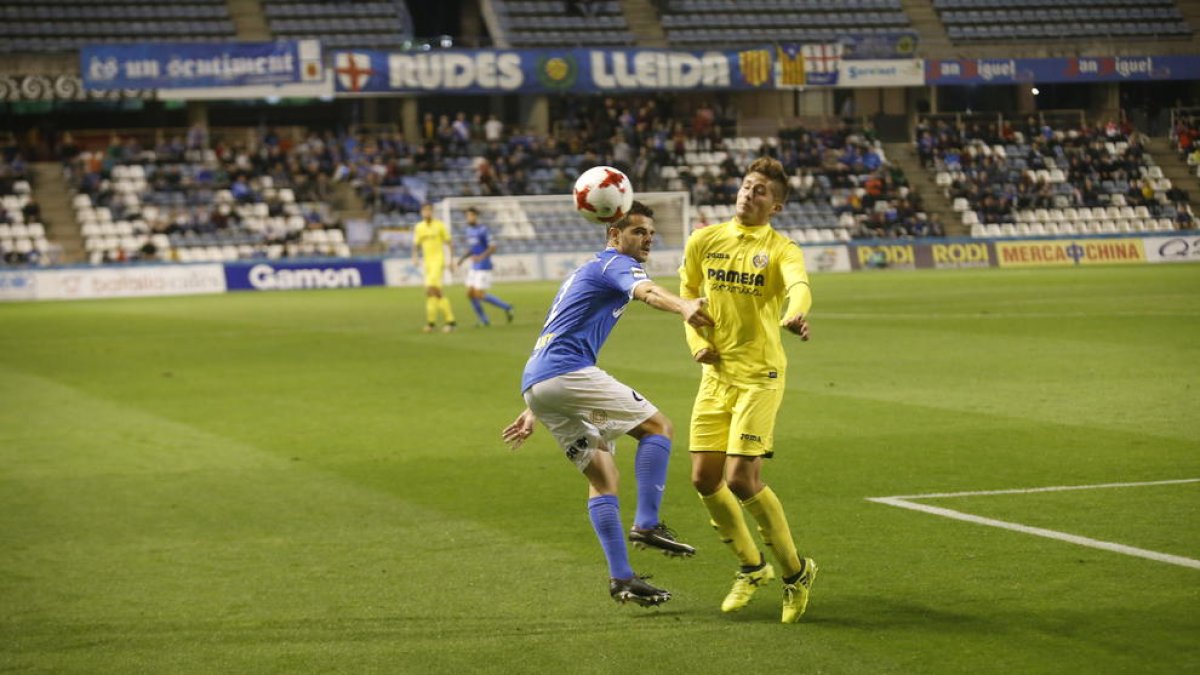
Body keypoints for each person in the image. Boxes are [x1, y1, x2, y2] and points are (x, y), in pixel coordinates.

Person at [502, 201, 714, 607]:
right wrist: (685, 305)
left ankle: (622, 578)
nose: (647, 238)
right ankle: (648, 525)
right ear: (613, 235)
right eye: (637, 232)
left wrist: (536, 407)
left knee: (601, 478)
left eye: (650, 232)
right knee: (658, 428)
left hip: (540, 380)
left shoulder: (586, 271)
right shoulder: (614, 265)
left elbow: (557, 328)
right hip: (565, 373)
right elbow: (648, 291)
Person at [679, 156, 817, 624]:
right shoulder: (704, 239)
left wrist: (795, 311)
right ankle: (750, 566)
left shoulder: (781, 248)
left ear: (774, 206)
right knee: (703, 479)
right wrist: (697, 341)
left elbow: (799, 285)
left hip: (760, 375)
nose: (748, 194)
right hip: (716, 376)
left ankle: (796, 574)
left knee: (740, 479)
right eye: (746, 185)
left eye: (760, 191)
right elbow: (688, 296)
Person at [457, 207, 514, 327]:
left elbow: (493, 247)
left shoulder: (483, 230)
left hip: (483, 266)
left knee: (478, 294)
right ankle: (484, 320)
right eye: (467, 216)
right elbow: (472, 249)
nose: (468, 218)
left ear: (476, 216)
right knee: (470, 294)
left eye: (470, 216)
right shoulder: (468, 230)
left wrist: (481, 257)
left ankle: (507, 307)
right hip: (474, 266)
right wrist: (462, 258)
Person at [412, 202, 457, 333]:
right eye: (424, 210)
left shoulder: (440, 225)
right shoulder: (419, 227)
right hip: (427, 263)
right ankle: (431, 323)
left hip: (438, 261)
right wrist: (414, 257)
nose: (427, 213)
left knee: (434, 289)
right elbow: (416, 244)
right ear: (421, 212)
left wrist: (452, 260)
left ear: (432, 212)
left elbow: (449, 243)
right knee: (430, 293)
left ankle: (451, 321)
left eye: (429, 210)